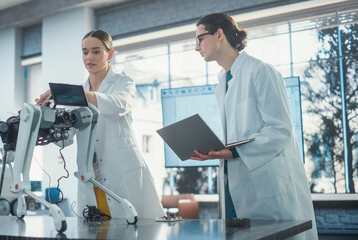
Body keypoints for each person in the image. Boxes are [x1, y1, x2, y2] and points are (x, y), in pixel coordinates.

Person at [190, 13, 317, 239]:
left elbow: (280, 130)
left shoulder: (260, 70)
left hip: (267, 184)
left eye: (199, 39)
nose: (196, 47)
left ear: (219, 34)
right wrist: (216, 149)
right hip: (235, 184)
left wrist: (234, 150)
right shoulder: (223, 81)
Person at [36, 30, 165, 220]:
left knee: (130, 227)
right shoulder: (80, 92)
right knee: (96, 229)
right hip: (91, 173)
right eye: (85, 52)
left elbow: (117, 106)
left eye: (96, 51)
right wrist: (47, 120)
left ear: (110, 54)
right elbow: (66, 140)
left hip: (120, 168)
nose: (89, 57)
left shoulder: (123, 83)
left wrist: (74, 94)